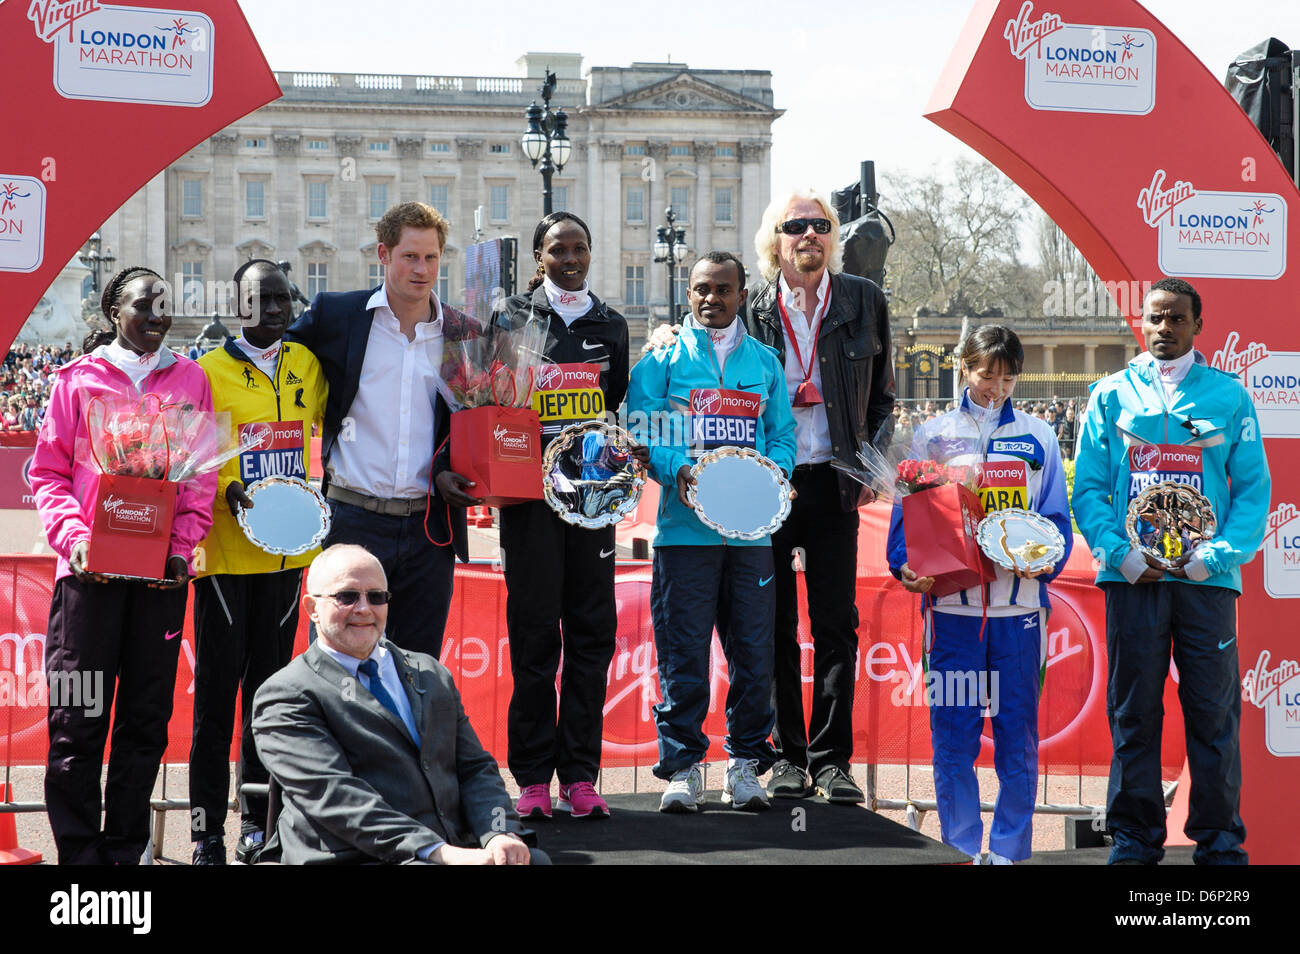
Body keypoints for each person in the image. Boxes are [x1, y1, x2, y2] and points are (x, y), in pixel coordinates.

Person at [1073, 278, 1269, 865]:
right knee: (1134, 713)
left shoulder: (1230, 397)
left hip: (1205, 584)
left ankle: (1220, 844)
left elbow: (1253, 494)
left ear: (1197, 326)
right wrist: (1121, 554)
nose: (1164, 329)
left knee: (1212, 715)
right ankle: (1134, 840)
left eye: (1177, 319)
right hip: (1134, 582)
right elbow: (1089, 488)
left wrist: (1215, 556)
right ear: (1143, 321)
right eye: (1155, 318)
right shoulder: (1110, 394)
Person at [30, 265, 217, 864]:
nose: (158, 315)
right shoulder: (75, 381)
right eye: (145, 304)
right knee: (76, 723)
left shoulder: (191, 380)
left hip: (158, 583)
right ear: (115, 311)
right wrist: (75, 537)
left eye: (165, 305)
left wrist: (182, 547)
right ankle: (81, 863)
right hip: (87, 585)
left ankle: (125, 857)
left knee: (143, 726)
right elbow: (48, 474)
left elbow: (201, 480)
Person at [887, 325, 1072, 864]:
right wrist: (906, 568)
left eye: (1008, 375)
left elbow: (1056, 520)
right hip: (952, 614)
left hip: (1020, 616)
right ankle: (961, 850)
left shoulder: (1039, 437)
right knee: (953, 739)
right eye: (987, 373)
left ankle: (1011, 853)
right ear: (965, 367)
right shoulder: (932, 435)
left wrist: (1045, 562)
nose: (997, 385)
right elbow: (907, 519)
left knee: (1017, 741)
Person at [741, 188, 895, 803]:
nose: (810, 234)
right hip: (769, 485)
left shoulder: (863, 300)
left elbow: (884, 396)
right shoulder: (752, 307)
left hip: (834, 484)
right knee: (772, 626)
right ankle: (784, 758)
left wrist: (869, 469)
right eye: (795, 225)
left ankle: (832, 762)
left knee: (836, 625)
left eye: (821, 225)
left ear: (832, 237)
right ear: (773, 241)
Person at [628, 251, 796, 813]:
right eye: (701, 288)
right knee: (684, 658)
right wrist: (679, 467)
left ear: (741, 292)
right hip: (683, 536)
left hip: (751, 540)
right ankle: (683, 769)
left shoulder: (766, 363)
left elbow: (783, 437)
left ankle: (745, 765)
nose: (710, 299)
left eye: (723, 289)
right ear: (689, 291)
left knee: (754, 656)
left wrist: (777, 477)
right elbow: (642, 431)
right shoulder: (662, 360)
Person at [251, 544, 542, 864]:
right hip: (357, 855)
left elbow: (474, 768)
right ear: (311, 608)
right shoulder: (285, 694)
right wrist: (440, 853)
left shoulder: (429, 672)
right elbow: (336, 797)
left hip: (451, 846)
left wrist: (499, 832)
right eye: (347, 596)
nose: (364, 608)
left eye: (376, 596)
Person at [286, 202, 482, 657]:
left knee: (417, 669)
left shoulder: (464, 333)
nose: (421, 269)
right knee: (339, 666)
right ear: (384, 255)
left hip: (428, 528)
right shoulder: (337, 315)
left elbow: (475, 422)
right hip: (350, 519)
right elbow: (272, 357)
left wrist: (452, 469)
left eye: (431, 257)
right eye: (409, 257)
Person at [188, 260, 328, 865]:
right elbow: (191, 453)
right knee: (217, 700)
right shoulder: (205, 371)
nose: (272, 309)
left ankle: (258, 826)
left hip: (289, 556)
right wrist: (227, 487)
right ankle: (203, 834)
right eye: (259, 299)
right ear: (237, 303)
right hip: (224, 556)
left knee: (270, 700)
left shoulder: (307, 366)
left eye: (281, 299)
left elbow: (337, 428)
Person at [491, 212, 629, 820]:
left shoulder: (613, 326)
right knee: (534, 636)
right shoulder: (510, 320)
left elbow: (613, 399)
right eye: (557, 250)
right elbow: (490, 399)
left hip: (593, 497)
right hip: (530, 502)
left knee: (591, 636)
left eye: (579, 248)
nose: (569, 259)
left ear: (590, 254)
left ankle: (579, 775)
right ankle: (532, 780)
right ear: (539, 258)